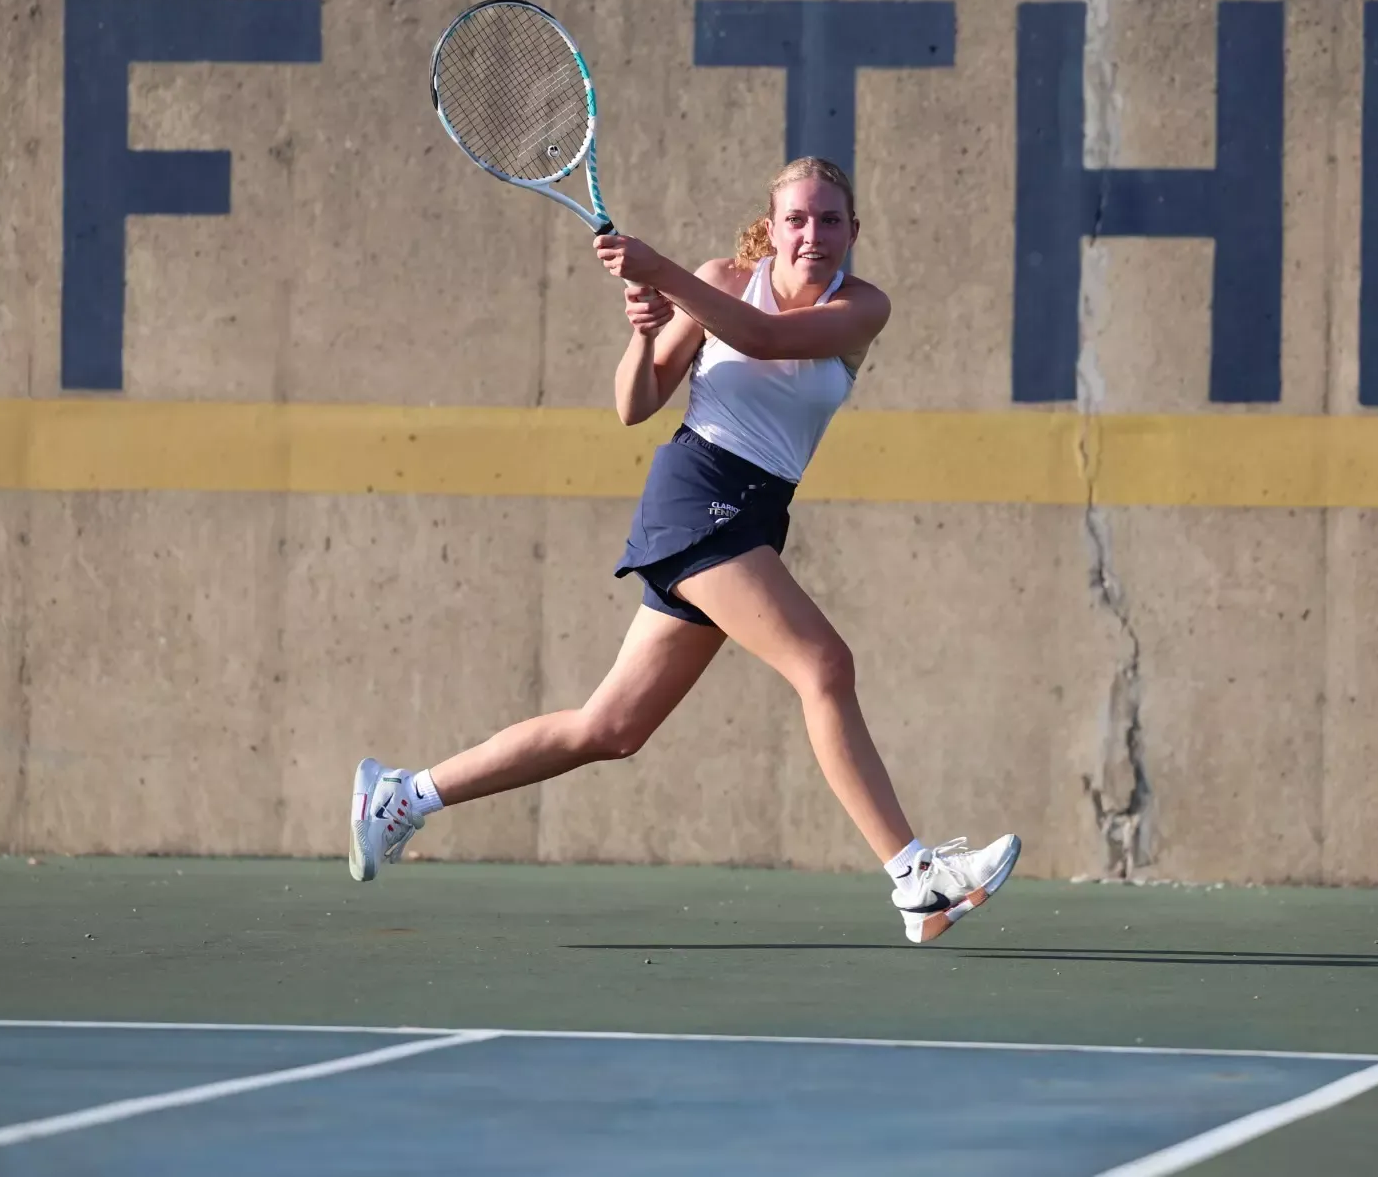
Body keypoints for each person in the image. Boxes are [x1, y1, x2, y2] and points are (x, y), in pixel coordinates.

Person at [348, 156, 1020, 944]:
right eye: (796, 219)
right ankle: (915, 878)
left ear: (853, 231)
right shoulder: (722, 281)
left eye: (829, 219)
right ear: (771, 228)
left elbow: (766, 337)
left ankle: (402, 797)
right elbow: (635, 403)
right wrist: (644, 333)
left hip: (758, 510)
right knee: (824, 666)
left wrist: (659, 274)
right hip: (698, 491)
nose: (812, 234)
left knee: (611, 728)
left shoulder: (862, 306)